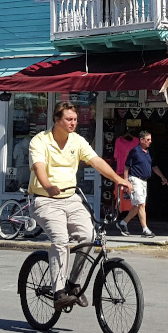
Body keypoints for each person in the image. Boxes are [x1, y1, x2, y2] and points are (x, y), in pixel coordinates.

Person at [30, 101, 129, 309]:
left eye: (75, 119)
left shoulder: (77, 141)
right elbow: (39, 167)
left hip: (71, 198)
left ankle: (74, 283)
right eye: (68, 119)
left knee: (89, 237)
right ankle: (59, 292)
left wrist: (117, 179)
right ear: (57, 120)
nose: (73, 123)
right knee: (60, 240)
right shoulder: (40, 141)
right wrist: (48, 186)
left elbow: (96, 161)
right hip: (45, 200)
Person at [117, 130, 167, 238]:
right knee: (141, 204)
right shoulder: (135, 151)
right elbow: (126, 167)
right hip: (135, 179)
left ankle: (123, 223)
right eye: (148, 139)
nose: (150, 141)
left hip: (144, 181)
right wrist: (126, 182)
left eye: (150, 139)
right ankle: (145, 229)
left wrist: (162, 177)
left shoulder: (148, 152)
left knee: (138, 205)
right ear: (141, 140)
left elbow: (154, 166)